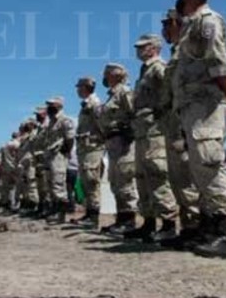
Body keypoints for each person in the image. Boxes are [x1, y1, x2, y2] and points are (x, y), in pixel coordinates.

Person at [172, 0, 226, 259]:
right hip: (192, 107)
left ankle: (223, 238)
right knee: (199, 169)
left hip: (206, 106)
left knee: (210, 163)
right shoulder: (191, 25)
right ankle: (208, 230)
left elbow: (218, 62)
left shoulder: (208, 22)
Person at [123, 33, 179, 242]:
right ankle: (147, 223)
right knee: (142, 177)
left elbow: (169, 95)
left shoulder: (158, 68)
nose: (139, 50)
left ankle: (168, 224)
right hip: (141, 132)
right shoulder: (144, 71)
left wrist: (162, 115)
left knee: (157, 175)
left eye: (143, 46)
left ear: (154, 48)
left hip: (155, 131)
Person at [159, 8, 203, 249]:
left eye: (168, 25)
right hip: (173, 122)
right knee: (177, 178)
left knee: (187, 177)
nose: (164, 30)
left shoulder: (188, 49)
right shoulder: (175, 53)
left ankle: (197, 228)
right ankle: (187, 229)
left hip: (186, 121)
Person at [98, 63, 138, 235]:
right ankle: (121, 218)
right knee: (115, 182)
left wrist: (128, 134)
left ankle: (128, 221)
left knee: (125, 181)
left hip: (124, 142)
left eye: (107, 74)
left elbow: (133, 114)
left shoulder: (124, 92)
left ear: (115, 75)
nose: (105, 77)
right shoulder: (112, 95)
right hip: (112, 143)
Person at [72, 77, 104, 226]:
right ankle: (89, 213)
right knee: (86, 182)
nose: (78, 90)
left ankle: (93, 217)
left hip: (93, 148)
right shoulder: (85, 105)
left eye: (79, 87)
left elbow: (101, 124)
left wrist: (101, 142)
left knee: (92, 181)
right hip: (85, 148)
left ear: (86, 87)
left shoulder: (94, 104)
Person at [41, 97, 76, 224]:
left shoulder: (65, 120)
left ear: (59, 105)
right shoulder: (51, 122)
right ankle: (55, 210)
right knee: (51, 183)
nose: (49, 107)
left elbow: (70, 137)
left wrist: (65, 151)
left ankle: (60, 215)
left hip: (59, 155)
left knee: (58, 182)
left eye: (51, 105)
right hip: (50, 155)